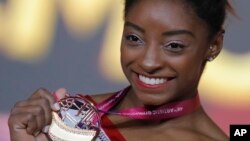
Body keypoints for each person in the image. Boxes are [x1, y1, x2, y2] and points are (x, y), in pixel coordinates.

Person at [8, 0, 234, 140]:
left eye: (173, 46)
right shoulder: (68, 122)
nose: (148, 62)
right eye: (134, 38)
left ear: (213, 46)